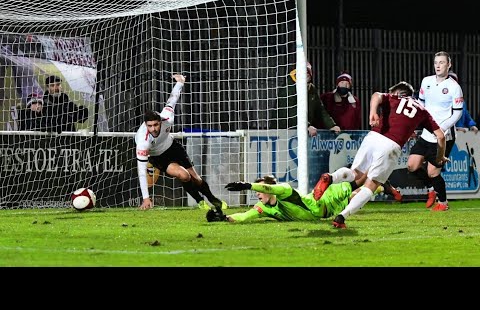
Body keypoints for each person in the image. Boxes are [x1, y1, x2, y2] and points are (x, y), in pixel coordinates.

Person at [314, 81, 448, 228]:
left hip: (373, 137)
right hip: (391, 145)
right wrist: (439, 157)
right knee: (371, 185)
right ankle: (341, 217)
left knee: (355, 173)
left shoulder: (393, 98)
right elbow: (441, 136)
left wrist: (373, 112)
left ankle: (331, 177)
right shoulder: (422, 110)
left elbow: (376, 95)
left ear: (398, 93)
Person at [134, 74, 228, 211]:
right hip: (158, 157)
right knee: (184, 175)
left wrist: (180, 83)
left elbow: (172, 100)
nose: (153, 129)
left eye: (156, 125)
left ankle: (213, 199)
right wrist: (146, 198)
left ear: (160, 121)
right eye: (150, 126)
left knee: (196, 178)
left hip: (173, 147)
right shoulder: (143, 141)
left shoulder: (167, 118)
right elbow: (142, 171)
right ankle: (200, 201)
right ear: (146, 125)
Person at [407, 52, 463, 211]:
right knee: (412, 166)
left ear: (449, 65)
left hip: (444, 136)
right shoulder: (426, 82)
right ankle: (431, 189)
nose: (438, 66)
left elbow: (457, 112)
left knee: (432, 172)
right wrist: (412, 126)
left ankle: (443, 203)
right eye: (436, 63)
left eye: (442, 63)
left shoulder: (454, 87)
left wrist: (442, 128)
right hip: (426, 133)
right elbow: (420, 105)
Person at [207, 174, 364, 223]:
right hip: (325, 213)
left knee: (356, 183)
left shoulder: (284, 190)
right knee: (353, 198)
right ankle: (377, 186)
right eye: (257, 191)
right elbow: (245, 216)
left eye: (260, 190)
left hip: (322, 202)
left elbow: (268, 188)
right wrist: (225, 218)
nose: (257, 194)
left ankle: (375, 176)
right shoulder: (266, 208)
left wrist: (248, 185)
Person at [276, 61, 340, 136]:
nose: (305, 75)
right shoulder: (287, 88)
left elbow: (320, 110)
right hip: (282, 133)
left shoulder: (311, 89)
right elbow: (290, 112)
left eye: (308, 73)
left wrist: (331, 125)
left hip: (301, 132)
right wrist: (306, 126)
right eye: (303, 72)